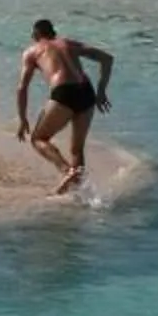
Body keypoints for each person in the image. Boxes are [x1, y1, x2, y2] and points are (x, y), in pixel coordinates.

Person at [15, 19, 116, 196]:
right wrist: (101, 92)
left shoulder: (32, 51)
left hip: (64, 92)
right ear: (53, 33)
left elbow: (22, 87)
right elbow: (107, 59)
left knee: (38, 138)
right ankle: (80, 193)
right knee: (77, 149)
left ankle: (66, 170)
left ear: (35, 35)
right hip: (86, 92)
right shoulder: (68, 43)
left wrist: (23, 119)